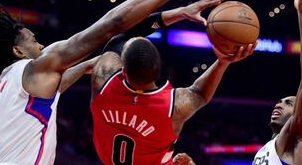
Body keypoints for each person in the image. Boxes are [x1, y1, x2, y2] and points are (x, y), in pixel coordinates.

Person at [0, 0, 229, 164]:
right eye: (34, 41)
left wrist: (89, 65)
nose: (41, 46)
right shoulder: (36, 68)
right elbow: (113, 25)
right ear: (18, 50)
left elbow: (65, 80)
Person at [90, 11, 256, 164]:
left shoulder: (102, 82)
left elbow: (119, 38)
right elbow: (201, 93)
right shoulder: (173, 105)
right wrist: (222, 62)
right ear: (159, 70)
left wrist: (176, 14)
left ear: (123, 70)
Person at [252, 0, 302, 165]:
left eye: (289, 103)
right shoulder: (266, 150)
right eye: (280, 101)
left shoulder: (299, 141)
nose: (279, 104)